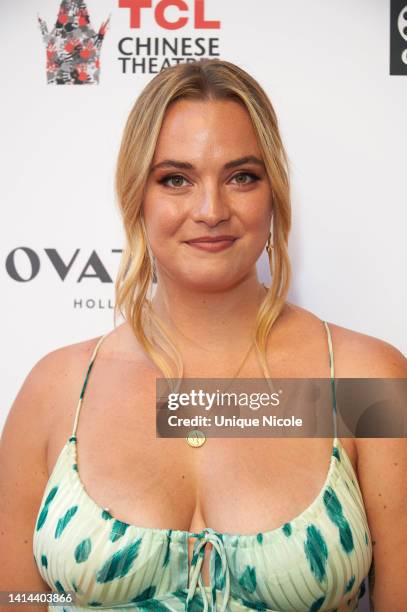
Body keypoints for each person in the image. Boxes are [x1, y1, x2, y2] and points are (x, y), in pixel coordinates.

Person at [1, 59, 406, 612]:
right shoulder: (57, 389)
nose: (211, 210)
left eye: (242, 176)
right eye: (176, 179)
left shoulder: (367, 384)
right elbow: (15, 598)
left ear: (274, 195)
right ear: (137, 197)